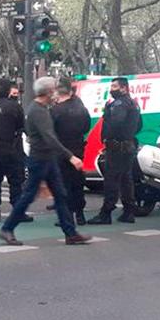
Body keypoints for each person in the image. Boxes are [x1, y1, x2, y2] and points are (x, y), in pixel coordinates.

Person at [0, 77, 92, 246]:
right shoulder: (38, 111)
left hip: (47, 159)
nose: (56, 93)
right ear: (48, 92)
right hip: (40, 159)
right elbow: (50, 138)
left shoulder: (41, 108)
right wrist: (70, 156)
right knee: (28, 196)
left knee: (60, 195)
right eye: (54, 89)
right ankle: (7, 228)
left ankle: (70, 233)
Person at [88, 77, 143, 225]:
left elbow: (115, 123)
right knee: (126, 180)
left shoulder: (118, 105)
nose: (111, 89)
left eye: (114, 86)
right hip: (128, 146)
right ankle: (129, 211)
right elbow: (139, 125)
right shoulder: (134, 104)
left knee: (111, 181)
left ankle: (105, 213)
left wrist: (109, 138)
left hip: (117, 147)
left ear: (124, 88)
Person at [0, 78, 29, 223]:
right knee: (15, 181)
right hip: (11, 148)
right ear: (9, 91)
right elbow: (21, 125)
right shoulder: (14, 106)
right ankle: (17, 211)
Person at [51, 77, 92, 225]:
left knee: (63, 184)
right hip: (78, 148)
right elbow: (87, 126)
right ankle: (80, 215)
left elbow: (51, 132)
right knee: (77, 182)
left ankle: (66, 216)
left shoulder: (56, 110)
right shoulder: (81, 107)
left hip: (61, 151)